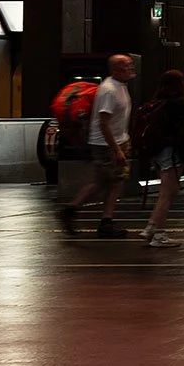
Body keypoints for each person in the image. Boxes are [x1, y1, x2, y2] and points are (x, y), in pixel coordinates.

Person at [62, 53, 135, 238]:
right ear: (116, 69)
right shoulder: (109, 90)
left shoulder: (121, 86)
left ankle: (105, 221)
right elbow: (103, 123)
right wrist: (116, 149)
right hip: (106, 144)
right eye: (128, 65)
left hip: (119, 141)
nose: (132, 68)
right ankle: (74, 210)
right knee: (103, 181)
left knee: (113, 182)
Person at [136, 68, 184, 249]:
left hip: (156, 151)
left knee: (172, 189)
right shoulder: (178, 104)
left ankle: (159, 232)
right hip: (172, 152)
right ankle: (152, 227)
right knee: (167, 191)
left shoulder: (155, 103)